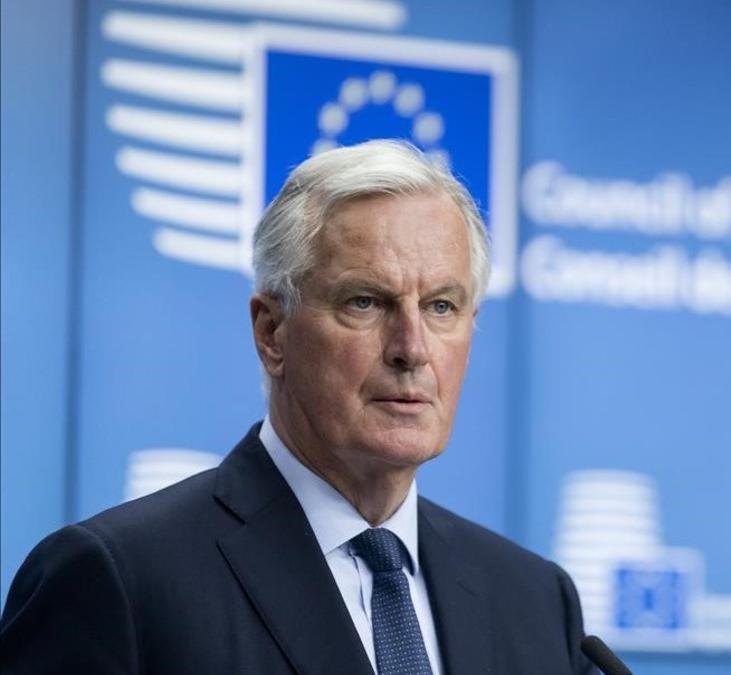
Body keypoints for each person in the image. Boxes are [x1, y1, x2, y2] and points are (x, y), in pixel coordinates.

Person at [0, 140, 596, 674]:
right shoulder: (119, 583)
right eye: (365, 302)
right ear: (272, 332)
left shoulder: (536, 601)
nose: (412, 349)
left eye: (442, 307)